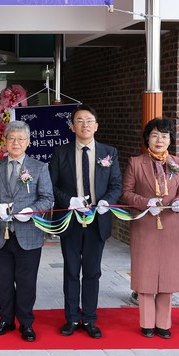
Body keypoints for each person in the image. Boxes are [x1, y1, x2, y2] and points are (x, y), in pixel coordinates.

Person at [49, 104, 122, 339]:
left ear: (96, 126)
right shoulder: (61, 152)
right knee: (71, 271)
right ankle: (71, 317)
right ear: (72, 126)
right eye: (79, 120)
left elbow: (116, 185)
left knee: (92, 272)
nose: (85, 125)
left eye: (89, 120)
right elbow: (51, 185)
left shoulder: (109, 152)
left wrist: (106, 201)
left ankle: (89, 318)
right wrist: (68, 200)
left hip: (96, 221)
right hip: (70, 220)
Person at [0, 120, 54, 342]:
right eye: (12, 138)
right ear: (5, 141)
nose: (16, 142)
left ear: (28, 142)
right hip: (2, 234)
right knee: (3, 281)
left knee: (26, 282)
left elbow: (47, 198)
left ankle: (26, 323)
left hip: (29, 234)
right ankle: (5, 320)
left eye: (21, 139)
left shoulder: (39, 167)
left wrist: (32, 211)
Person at [121, 118, 179, 338]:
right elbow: (126, 193)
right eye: (154, 135)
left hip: (170, 225)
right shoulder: (136, 163)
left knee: (168, 276)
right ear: (147, 139)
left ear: (170, 139)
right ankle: (147, 323)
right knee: (146, 275)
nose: (159, 140)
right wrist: (145, 202)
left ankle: (163, 324)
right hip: (145, 224)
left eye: (164, 136)